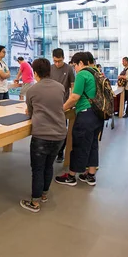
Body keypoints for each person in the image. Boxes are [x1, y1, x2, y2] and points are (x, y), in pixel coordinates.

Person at [19, 58, 67, 213]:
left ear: (35, 72)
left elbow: (30, 112)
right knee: (48, 166)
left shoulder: (32, 90)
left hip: (42, 135)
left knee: (38, 169)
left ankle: (35, 202)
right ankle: (44, 195)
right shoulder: (60, 87)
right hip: (60, 134)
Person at [55, 52, 102, 187]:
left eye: (75, 65)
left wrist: (61, 108)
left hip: (85, 114)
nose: (74, 68)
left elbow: (75, 97)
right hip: (97, 114)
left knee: (79, 145)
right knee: (93, 144)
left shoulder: (82, 74)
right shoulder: (96, 72)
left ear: (81, 63)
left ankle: (71, 176)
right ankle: (90, 175)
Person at [51, 48, 75, 163]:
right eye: (55, 61)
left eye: (59, 61)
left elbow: (72, 87)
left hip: (64, 104)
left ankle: (60, 152)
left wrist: (71, 102)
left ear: (63, 58)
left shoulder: (69, 69)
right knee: (51, 129)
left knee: (62, 130)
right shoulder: (50, 69)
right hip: (51, 104)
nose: (57, 63)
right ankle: (52, 152)